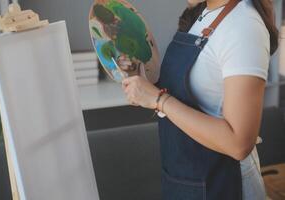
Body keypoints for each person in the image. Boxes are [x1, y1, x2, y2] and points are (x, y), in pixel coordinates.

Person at [118, 0, 279, 199]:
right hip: (183, 179)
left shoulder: (244, 27)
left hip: (224, 185)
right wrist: (145, 87)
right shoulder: (204, 14)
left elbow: (239, 144)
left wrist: (159, 100)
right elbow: (196, 92)